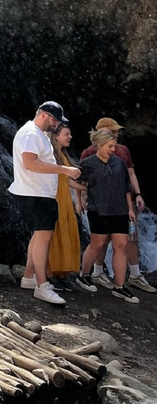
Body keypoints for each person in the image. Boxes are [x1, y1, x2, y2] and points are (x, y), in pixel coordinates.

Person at [10, 101, 81, 305]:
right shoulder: (31, 133)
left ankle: (29, 277)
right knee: (43, 237)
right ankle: (42, 285)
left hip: (37, 193)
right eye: (55, 120)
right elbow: (30, 163)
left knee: (38, 236)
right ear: (43, 115)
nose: (56, 124)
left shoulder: (35, 133)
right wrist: (64, 170)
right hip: (35, 194)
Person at [79, 118, 155, 293]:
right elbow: (81, 178)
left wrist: (137, 196)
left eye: (117, 131)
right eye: (113, 131)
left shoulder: (122, 153)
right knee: (100, 242)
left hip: (122, 205)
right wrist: (84, 196)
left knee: (127, 240)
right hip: (100, 207)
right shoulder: (88, 155)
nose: (117, 134)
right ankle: (94, 273)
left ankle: (130, 279)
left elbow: (129, 177)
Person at [75, 129, 139, 303]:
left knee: (121, 245)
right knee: (97, 244)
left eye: (114, 146)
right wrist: (86, 192)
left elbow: (126, 187)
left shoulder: (119, 163)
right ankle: (84, 275)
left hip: (119, 210)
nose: (113, 149)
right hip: (98, 210)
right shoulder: (87, 163)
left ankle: (120, 287)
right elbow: (71, 181)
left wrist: (130, 209)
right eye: (110, 146)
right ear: (99, 145)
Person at [46, 124, 85, 292]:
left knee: (66, 233)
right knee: (55, 234)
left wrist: (85, 190)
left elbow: (67, 180)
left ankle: (62, 273)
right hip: (54, 197)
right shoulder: (49, 155)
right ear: (56, 136)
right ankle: (50, 273)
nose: (70, 137)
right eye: (66, 134)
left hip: (65, 199)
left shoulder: (63, 155)